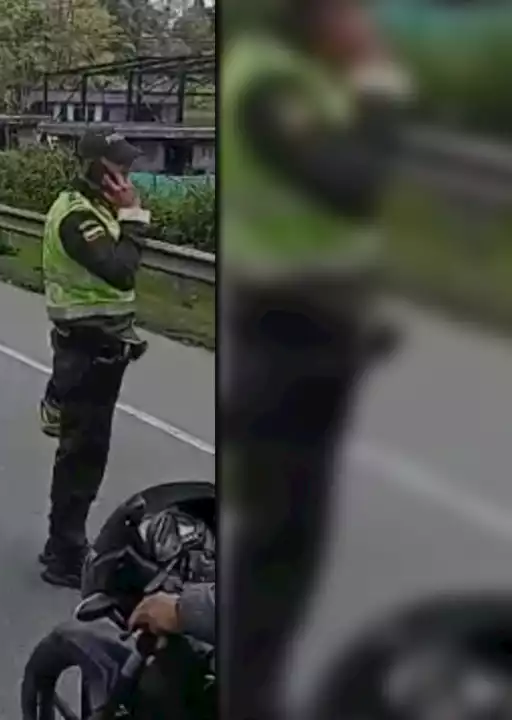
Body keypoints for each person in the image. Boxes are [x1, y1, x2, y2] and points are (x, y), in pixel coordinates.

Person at [220, 0, 410, 717]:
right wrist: (380, 87)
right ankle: (248, 694)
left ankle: (256, 685)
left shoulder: (307, 79)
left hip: (319, 336)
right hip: (284, 340)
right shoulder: (271, 84)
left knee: (296, 539)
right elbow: (352, 184)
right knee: (277, 541)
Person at [37, 131, 151, 589]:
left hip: (97, 349)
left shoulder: (95, 210)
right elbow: (121, 268)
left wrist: (126, 214)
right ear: (94, 168)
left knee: (85, 451)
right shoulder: (78, 217)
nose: (127, 174)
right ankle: (64, 553)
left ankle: (62, 545)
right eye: (118, 166)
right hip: (87, 351)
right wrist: (134, 215)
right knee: (82, 455)